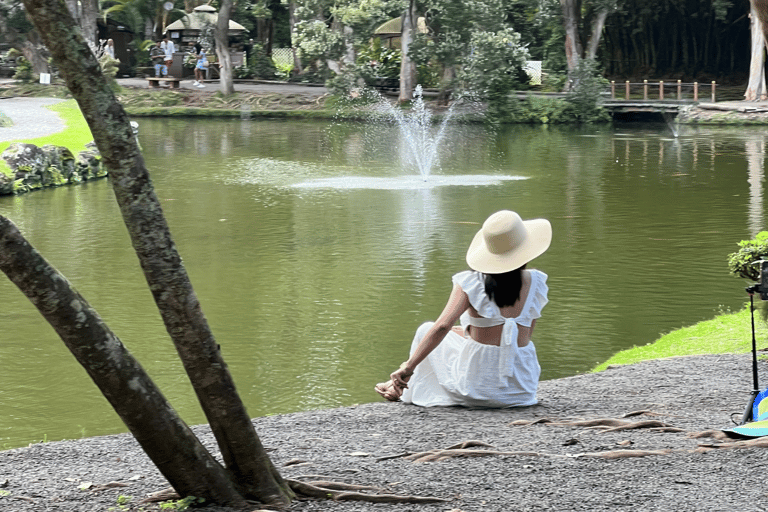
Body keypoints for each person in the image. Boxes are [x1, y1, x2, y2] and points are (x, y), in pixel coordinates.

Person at [375, 210, 552, 407]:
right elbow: (519, 333)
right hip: (522, 391)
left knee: (427, 330)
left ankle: (398, 386)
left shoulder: (471, 282)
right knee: (446, 334)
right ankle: (396, 384)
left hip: (477, 391)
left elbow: (442, 326)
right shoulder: (537, 282)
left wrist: (407, 368)